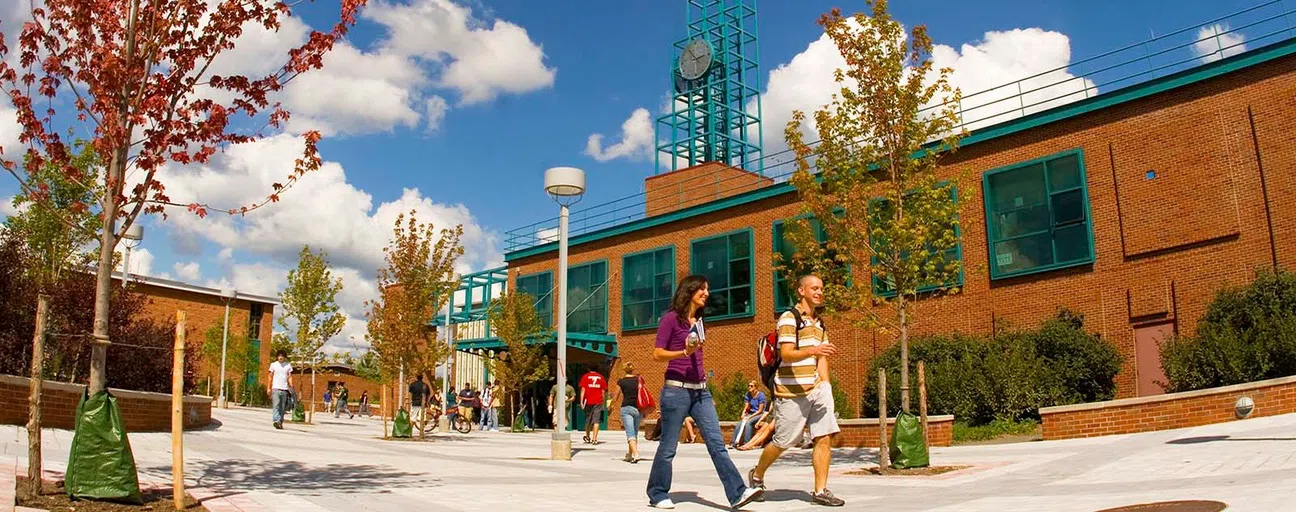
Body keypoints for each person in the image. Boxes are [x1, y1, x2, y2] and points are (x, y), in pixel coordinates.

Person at [646, 274, 762, 510]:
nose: (707, 293)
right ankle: (657, 493)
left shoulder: (698, 321)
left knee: (717, 443)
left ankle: (737, 493)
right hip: (676, 391)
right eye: (703, 289)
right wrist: (683, 353)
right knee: (668, 446)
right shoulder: (670, 320)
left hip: (701, 392)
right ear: (690, 291)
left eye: (707, 289)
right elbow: (657, 354)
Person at [748, 274, 845, 507]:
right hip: (790, 392)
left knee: (823, 437)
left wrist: (826, 384)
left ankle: (820, 490)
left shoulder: (820, 323)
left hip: (817, 389)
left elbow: (822, 358)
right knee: (784, 441)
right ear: (801, 291)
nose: (819, 292)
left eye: (822, 288)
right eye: (814, 288)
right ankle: (757, 474)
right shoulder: (788, 319)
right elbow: (787, 353)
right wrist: (814, 349)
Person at [612, 363, 646, 463]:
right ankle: (630, 454)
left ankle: (636, 454)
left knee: (630, 433)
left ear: (624, 370)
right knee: (634, 433)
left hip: (626, 408)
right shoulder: (639, 380)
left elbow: (615, 396)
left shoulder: (621, 381)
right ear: (633, 369)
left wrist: (611, 405)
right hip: (638, 409)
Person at [733, 381, 768, 449]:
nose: (749, 387)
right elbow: (746, 407)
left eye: (751, 386)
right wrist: (743, 414)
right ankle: (734, 442)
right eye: (749, 386)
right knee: (739, 424)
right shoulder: (748, 395)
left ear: (756, 387)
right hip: (750, 413)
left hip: (760, 414)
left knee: (748, 422)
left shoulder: (761, 395)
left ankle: (746, 443)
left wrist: (750, 417)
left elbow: (760, 410)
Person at [579, 366, 607, 444]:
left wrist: (581, 401)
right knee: (596, 420)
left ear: (589, 369)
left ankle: (587, 436)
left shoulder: (585, 376)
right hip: (598, 401)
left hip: (588, 401)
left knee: (588, 420)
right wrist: (603, 401)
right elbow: (603, 391)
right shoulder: (601, 377)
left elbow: (583, 390)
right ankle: (594, 439)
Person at [267, 351, 293, 429]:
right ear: (277, 357)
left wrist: (291, 385)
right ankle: (276, 420)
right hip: (275, 388)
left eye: (282, 356)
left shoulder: (288, 365)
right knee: (276, 405)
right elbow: (270, 376)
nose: (280, 357)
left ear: (285, 357)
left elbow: (289, 376)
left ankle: (280, 422)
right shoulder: (273, 365)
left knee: (282, 407)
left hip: (284, 389)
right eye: (279, 356)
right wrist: (268, 387)